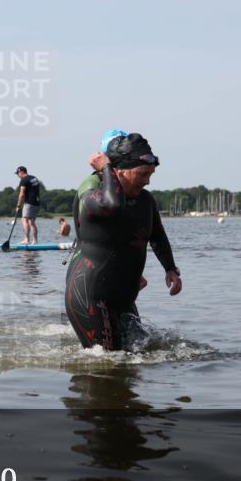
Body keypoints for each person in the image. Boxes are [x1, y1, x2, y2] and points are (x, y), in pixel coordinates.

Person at [64, 133, 182, 351]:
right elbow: (113, 206)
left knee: (135, 362)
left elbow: (156, 234)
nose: (147, 180)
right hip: (90, 296)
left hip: (124, 298)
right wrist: (106, 168)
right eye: (142, 173)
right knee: (109, 365)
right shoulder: (93, 197)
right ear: (119, 171)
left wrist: (170, 269)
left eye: (151, 174)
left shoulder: (145, 200)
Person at [14, 166, 42, 244]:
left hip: (29, 202)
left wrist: (18, 205)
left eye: (18, 173)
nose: (18, 175)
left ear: (21, 172)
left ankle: (26, 239)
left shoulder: (24, 180)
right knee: (31, 222)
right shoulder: (34, 178)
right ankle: (35, 241)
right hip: (37, 202)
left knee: (24, 220)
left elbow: (21, 194)